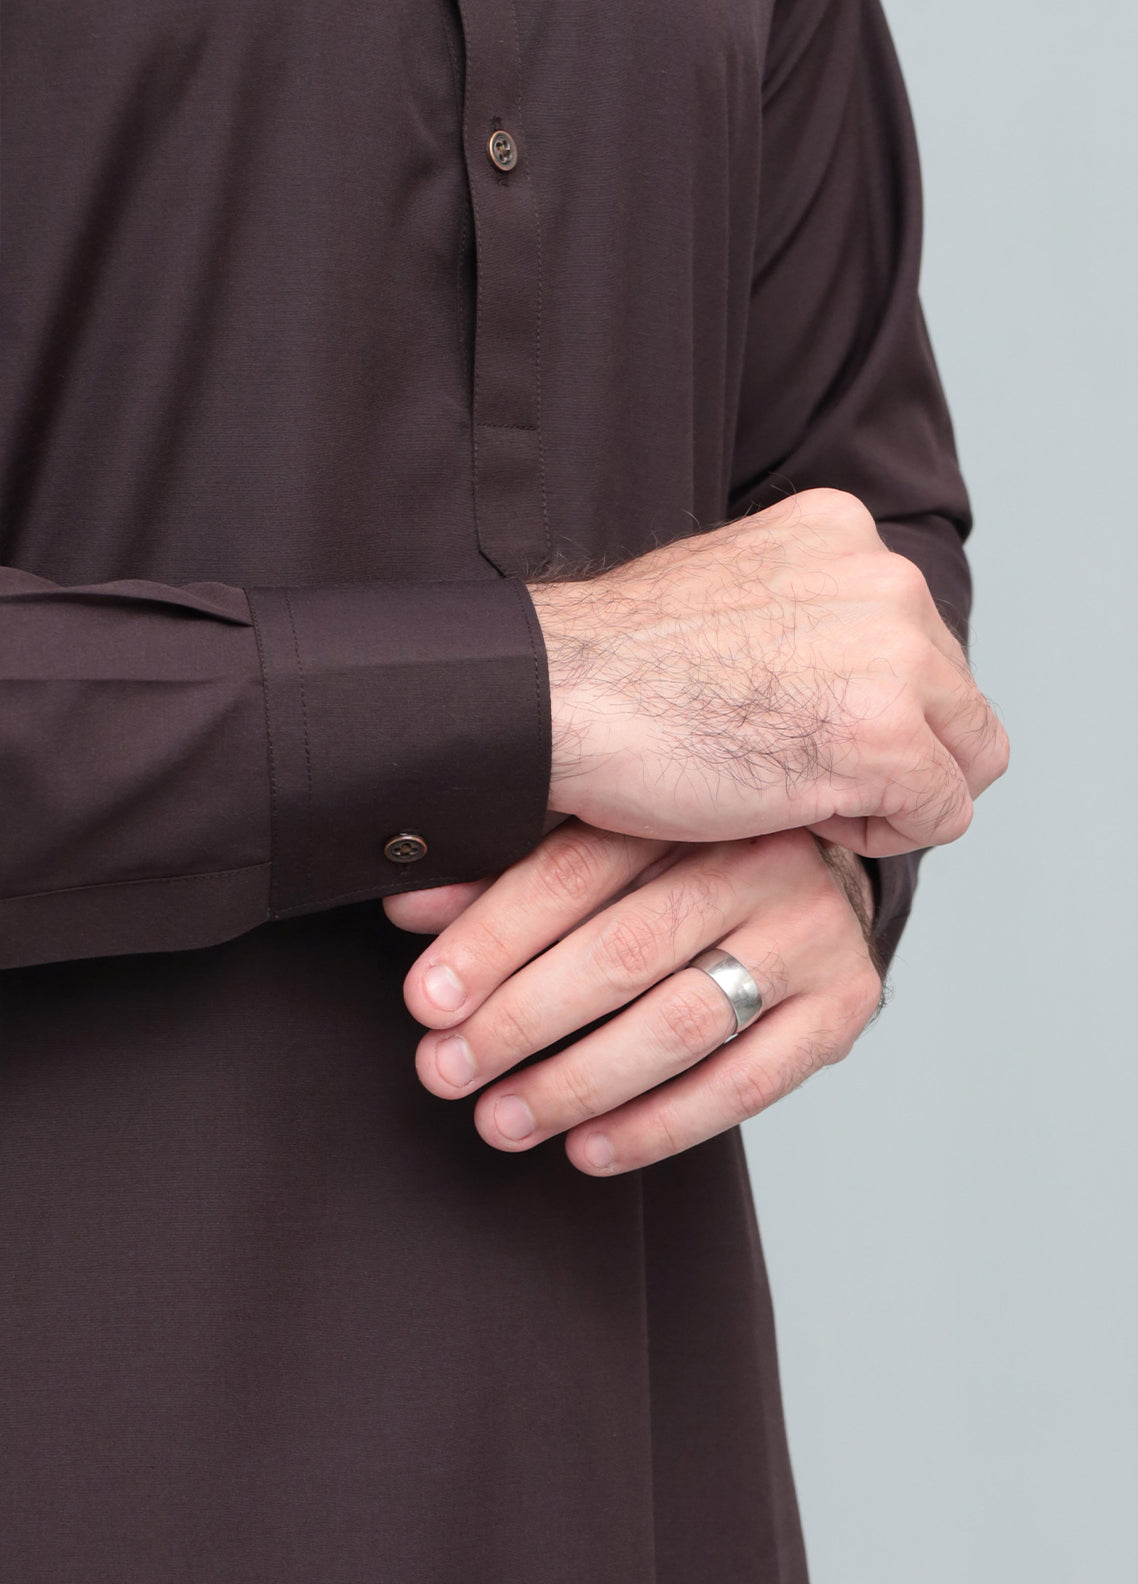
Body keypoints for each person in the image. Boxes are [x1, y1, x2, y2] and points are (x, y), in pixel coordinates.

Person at [0, 0, 1007, 1578]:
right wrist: (549, 691)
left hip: (628, 1459)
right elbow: (652, 666)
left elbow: (855, 538)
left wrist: (829, 857)